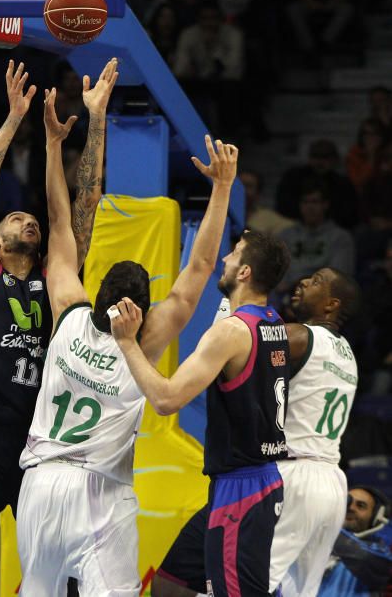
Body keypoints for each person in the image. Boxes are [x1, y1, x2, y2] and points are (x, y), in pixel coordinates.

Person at [17, 86, 238, 594]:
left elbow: (60, 220)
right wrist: (221, 189)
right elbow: (201, 267)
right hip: (100, 489)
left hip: (42, 482)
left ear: (98, 294)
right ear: (141, 312)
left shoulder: (69, 309)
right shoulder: (145, 337)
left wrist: (54, 145)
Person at [0, 59, 118, 596]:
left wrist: (95, 120)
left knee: (61, 575)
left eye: (29, 220)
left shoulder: (56, 277)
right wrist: (14, 119)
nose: (26, 219)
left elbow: (86, 201)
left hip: (42, 441)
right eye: (15, 220)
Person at [153, 267, 362, 597]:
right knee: (175, 579)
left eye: (316, 282)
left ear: (331, 305)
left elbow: (239, 346)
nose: (303, 282)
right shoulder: (347, 355)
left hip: (287, 476)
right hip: (328, 484)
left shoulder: (297, 337)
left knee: (242, 588)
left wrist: (232, 305)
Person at [111, 229, 292, 597]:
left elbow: (165, 400)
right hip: (254, 480)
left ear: (244, 273)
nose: (224, 260)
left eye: (234, 254)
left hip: (240, 487)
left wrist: (127, 343)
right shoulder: (273, 323)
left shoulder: (230, 333)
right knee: (170, 584)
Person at [319, 486, 392, 596]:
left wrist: (321, 526)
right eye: (346, 502)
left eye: (360, 505)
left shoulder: (381, 553)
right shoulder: (313, 543)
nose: (350, 508)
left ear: (376, 517)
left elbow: (364, 557)